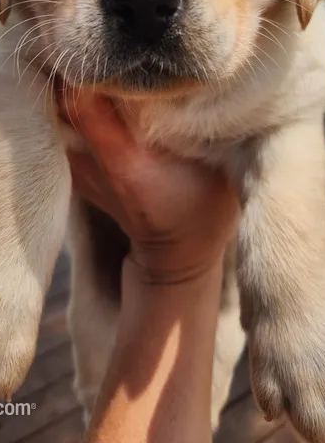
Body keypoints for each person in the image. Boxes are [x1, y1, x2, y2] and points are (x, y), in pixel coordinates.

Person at [59, 90, 240, 443]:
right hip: (100, 267)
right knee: (96, 380)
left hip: (211, 287)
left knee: (210, 384)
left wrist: (181, 264)